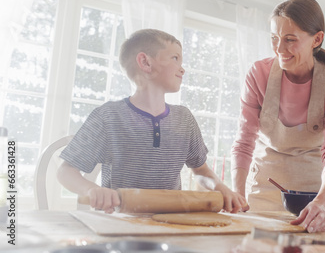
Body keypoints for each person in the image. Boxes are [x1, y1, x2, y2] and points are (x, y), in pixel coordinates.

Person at [57, 29, 246, 214]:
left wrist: (221, 188)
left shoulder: (185, 119)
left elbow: (201, 171)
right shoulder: (108, 116)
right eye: (175, 58)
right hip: (120, 224)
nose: (182, 68)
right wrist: (91, 190)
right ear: (145, 62)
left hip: (170, 224)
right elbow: (66, 171)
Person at [231, 0, 325, 233]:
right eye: (274, 38)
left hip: (310, 196)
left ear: (316, 39)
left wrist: (324, 200)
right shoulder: (259, 74)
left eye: (290, 39)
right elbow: (244, 142)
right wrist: (238, 194)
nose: (280, 49)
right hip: (262, 188)